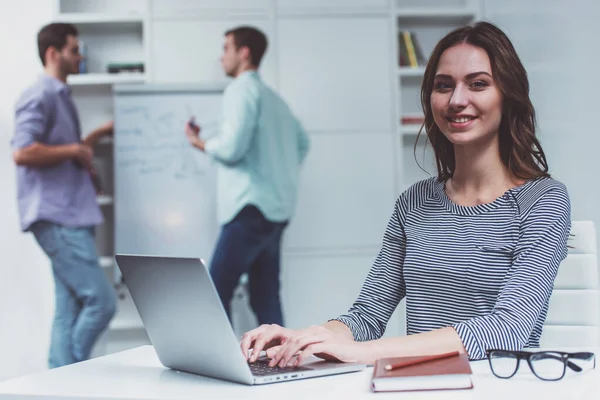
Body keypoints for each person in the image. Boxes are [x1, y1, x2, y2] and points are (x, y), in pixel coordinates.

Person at [239, 21, 571, 367]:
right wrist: (302, 337)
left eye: (478, 84)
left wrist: (362, 354)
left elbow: (508, 329)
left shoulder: (544, 200)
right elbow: (367, 315)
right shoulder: (414, 202)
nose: (457, 100)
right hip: (417, 385)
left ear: (508, 95)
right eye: (444, 86)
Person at [184, 26, 310, 327]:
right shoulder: (276, 100)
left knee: (215, 292)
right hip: (276, 211)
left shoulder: (241, 89)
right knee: (265, 296)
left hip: (248, 209)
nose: (221, 57)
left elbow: (231, 149)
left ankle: (220, 370)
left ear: (244, 53)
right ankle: (283, 364)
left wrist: (199, 143)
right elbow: (303, 144)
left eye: (225, 48)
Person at [11, 22, 117, 368]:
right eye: (74, 49)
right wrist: (74, 149)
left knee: (68, 307)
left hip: (71, 214)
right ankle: (65, 377)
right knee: (103, 302)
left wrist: (94, 137)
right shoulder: (40, 94)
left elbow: (65, 150)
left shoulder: (60, 96)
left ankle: (58, 381)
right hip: (59, 218)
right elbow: (23, 151)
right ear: (53, 53)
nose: (80, 55)